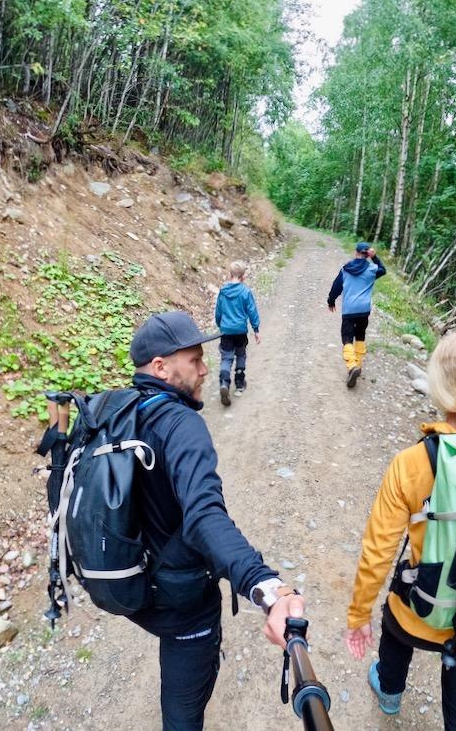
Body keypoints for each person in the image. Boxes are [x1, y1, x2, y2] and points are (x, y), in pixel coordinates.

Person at [126, 311, 305, 729]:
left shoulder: (117, 412)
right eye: (194, 360)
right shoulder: (182, 425)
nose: (206, 368)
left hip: (129, 586)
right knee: (183, 709)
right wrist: (265, 587)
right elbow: (204, 516)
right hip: (181, 605)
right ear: (161, 367)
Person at [344, 330, 456, 729]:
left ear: (438, 387)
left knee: (395, 614)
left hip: (423, 611)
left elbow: (378, 552)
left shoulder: (413, 462)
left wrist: (358, 616)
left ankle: (389, 693)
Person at [327, 242, 385, 388]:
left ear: (356, 252)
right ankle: (358, 365)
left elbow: (336, 287)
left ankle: (352, 366)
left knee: (347, 338)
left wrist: (331, 301)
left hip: (349, 310)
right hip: (364, 310)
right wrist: (375, 258)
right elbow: (383, 270)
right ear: (367, 254)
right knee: (360, 336)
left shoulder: (346, 269)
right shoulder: (372, 269)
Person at [214, 260, 261, 406]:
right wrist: (256, 329)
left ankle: (224, 382)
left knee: (226, 357)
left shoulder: (223, 291)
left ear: (230, 275)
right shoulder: (245, 292)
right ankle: (239, 384)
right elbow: (252, 311)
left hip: (226, 331)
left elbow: (218, 311)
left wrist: (220, 324)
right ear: (243, 277)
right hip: (240, 331)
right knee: (240, 354)